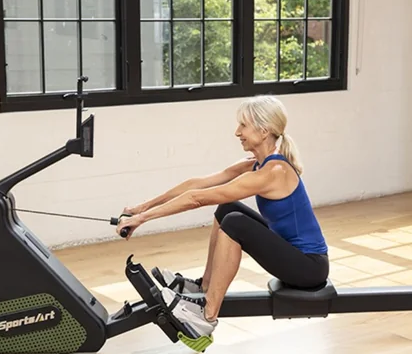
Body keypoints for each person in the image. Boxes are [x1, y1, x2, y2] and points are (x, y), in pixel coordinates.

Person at [117, 95, 329, 340]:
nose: (237, 132)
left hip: (308, 268)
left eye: (243, 125)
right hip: (293, 256)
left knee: (235, 224)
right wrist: (140, 208)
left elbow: (197, 198)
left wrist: (142, 219)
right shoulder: (257, 165)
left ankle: (207, 315)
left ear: (263, 131)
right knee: (227, 208)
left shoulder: (275, 171)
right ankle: (204, 286)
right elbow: (197, 185)